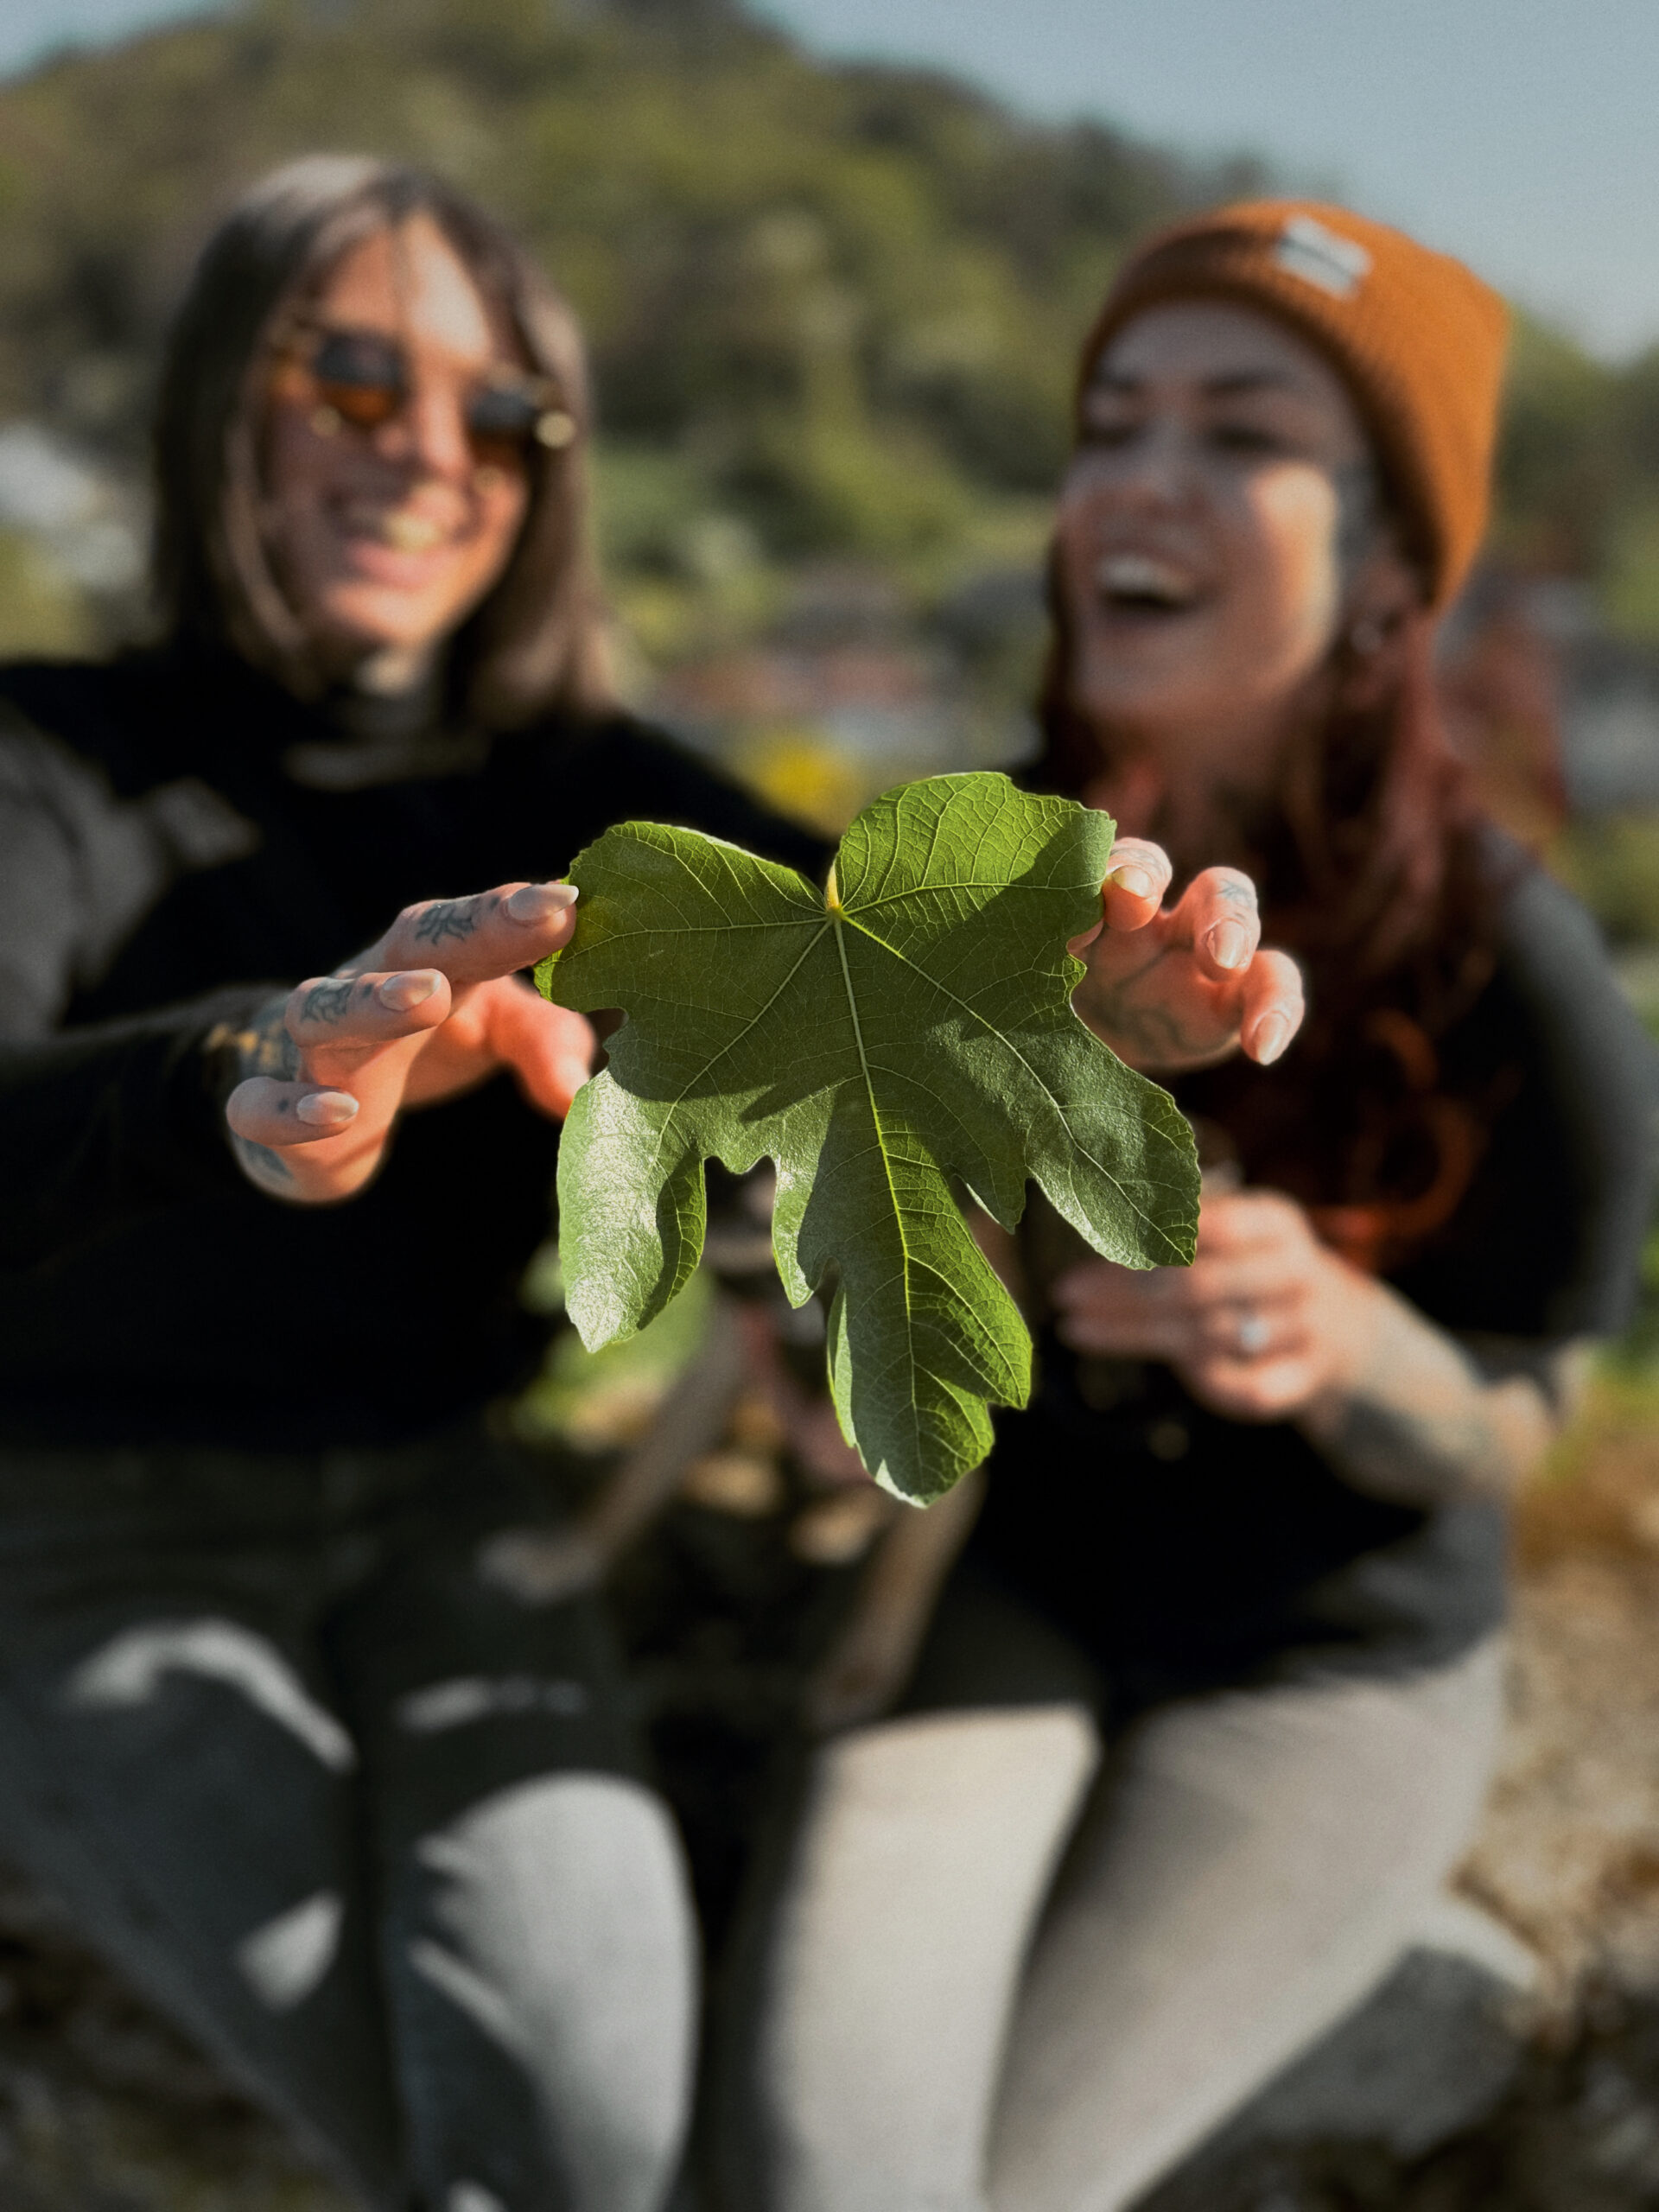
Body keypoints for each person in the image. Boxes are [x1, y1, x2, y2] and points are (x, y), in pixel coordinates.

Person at [0, 157, 1297, 2212]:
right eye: (350, 379)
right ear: (211, 400)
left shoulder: (595, 798)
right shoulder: (40, 758)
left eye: (507, 412)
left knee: (598, 2124)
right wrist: (246, 1066)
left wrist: (1075, 1007)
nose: (432, 449)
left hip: (447, 1499)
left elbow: (848, 1000)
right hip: (71, 1539)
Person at [715, 203, 1657, 2212]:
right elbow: (825, 1302)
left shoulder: (1523, 974)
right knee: (817, 2163)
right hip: (1020, 1586)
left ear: (1395, 556)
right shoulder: (951, 875)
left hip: (1329, 1662)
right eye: (1112, 419)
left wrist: (1345, 1335)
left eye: (1241, 433)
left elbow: (1527, 1407)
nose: (1143, 474)